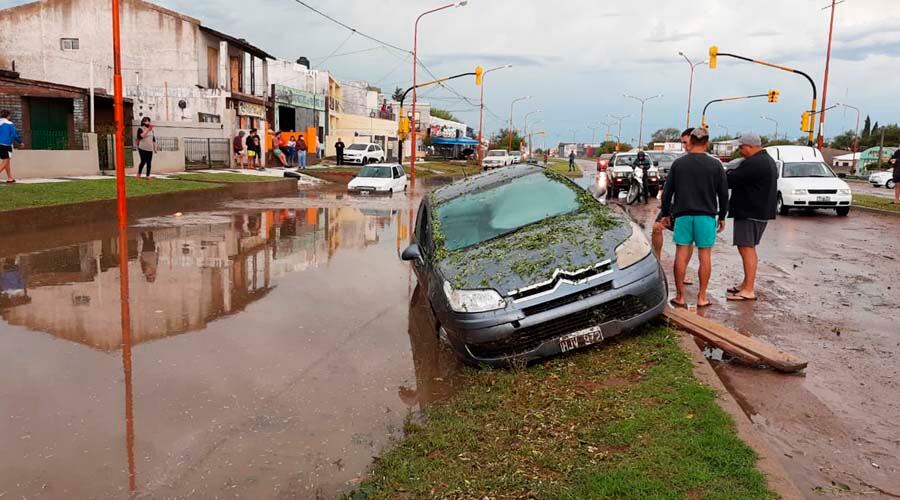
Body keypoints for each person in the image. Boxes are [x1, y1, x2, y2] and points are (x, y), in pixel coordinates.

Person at [660, 127, 728, 309]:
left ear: (690, 141)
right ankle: (702, 296)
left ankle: (681, 296)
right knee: (704, 255)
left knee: (681, 254)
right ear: (707, 143)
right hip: (706, 217)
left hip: (683, 216)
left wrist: (666, 214)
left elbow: (667, 192)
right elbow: (723, 194)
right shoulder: (716, 165)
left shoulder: (679, 164)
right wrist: (722, 216)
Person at [726, 133, 777, 302]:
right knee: (747, 247)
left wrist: (727, 172)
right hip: (758, 211)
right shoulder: (766, 160)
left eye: (741, 147)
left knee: (747, 248)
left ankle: (748, 289)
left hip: (750, 211)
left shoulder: (755, 163)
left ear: (749, 146)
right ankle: (745, 283)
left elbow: (731, 180)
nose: (740, 150)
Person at [652, 129, 696, 286]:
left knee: (685, 242)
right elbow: (669, 187)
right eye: (682, 142)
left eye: (686, 142)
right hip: (674, 205)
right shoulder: (679, 162)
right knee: (657, 228)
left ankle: (682, 271)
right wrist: (665, 208)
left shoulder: (706, 161)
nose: (684, 146)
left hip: (690, 208)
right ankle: (656, 263)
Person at [0, 110, 23, 184]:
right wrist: (20, 142)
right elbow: (14, 135)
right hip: (5, 145)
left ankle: (10, 178)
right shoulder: (9, 123)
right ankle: (10, 178)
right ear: (8, 116)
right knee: (6, 161)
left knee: (7, 161)